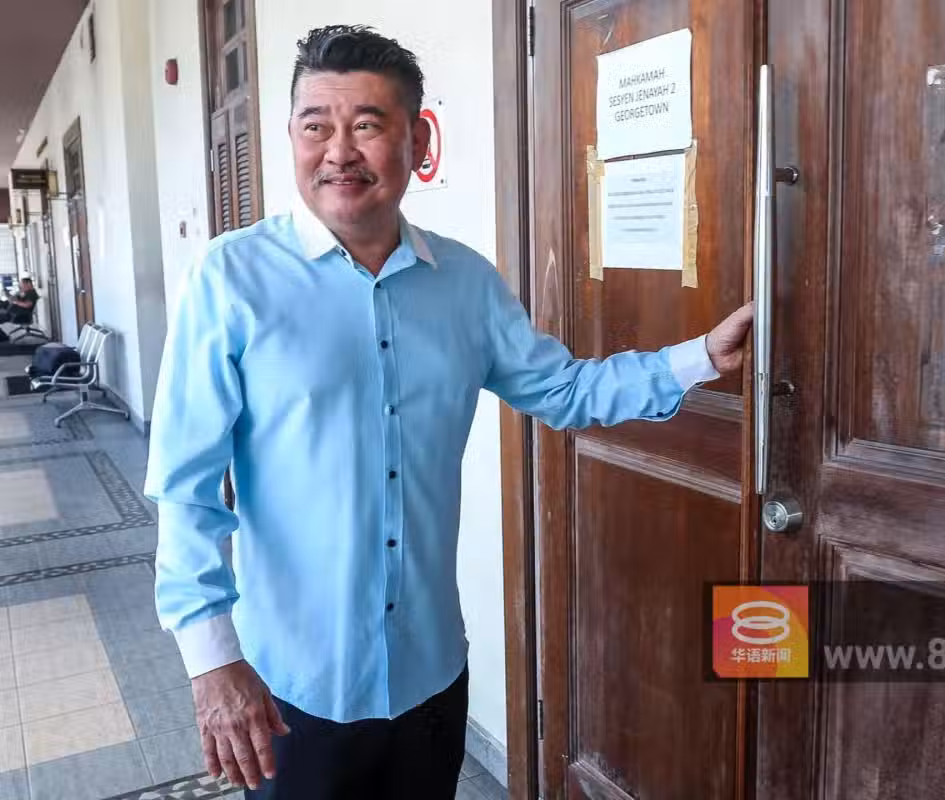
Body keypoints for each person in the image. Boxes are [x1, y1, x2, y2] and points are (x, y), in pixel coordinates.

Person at [145, 24, 754, 800]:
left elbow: (565, 390)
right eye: (315, 126)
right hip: (292, 686)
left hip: (430, 675)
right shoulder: (231, 280)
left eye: (367, 125)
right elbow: (186, 487)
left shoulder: (464, 283)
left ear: (418, 140)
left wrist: (701, 356)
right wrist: (212, 662)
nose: (339, 151)